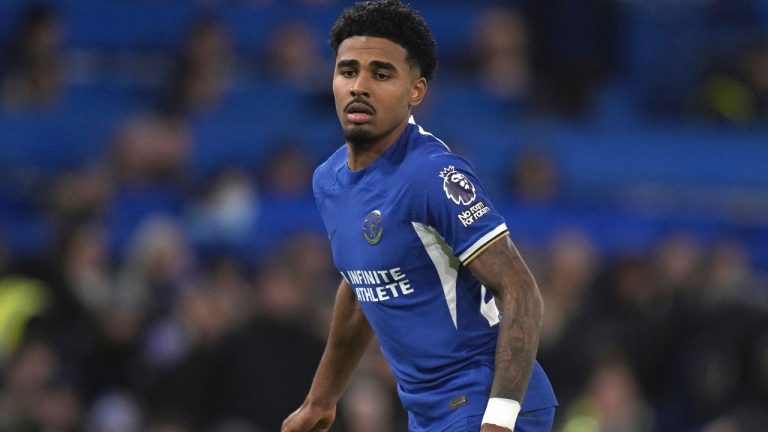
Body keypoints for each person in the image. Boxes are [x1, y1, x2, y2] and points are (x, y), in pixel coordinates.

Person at [282, 1, 557, 431]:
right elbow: (359, 289)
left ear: (416, 91)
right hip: (428, 413)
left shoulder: (434, 174)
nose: (360, 86)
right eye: (348, 70)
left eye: (382, 74)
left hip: (482, 401)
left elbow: (520, 288)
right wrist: (320, 402)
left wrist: (500, 420)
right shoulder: (329, 181)